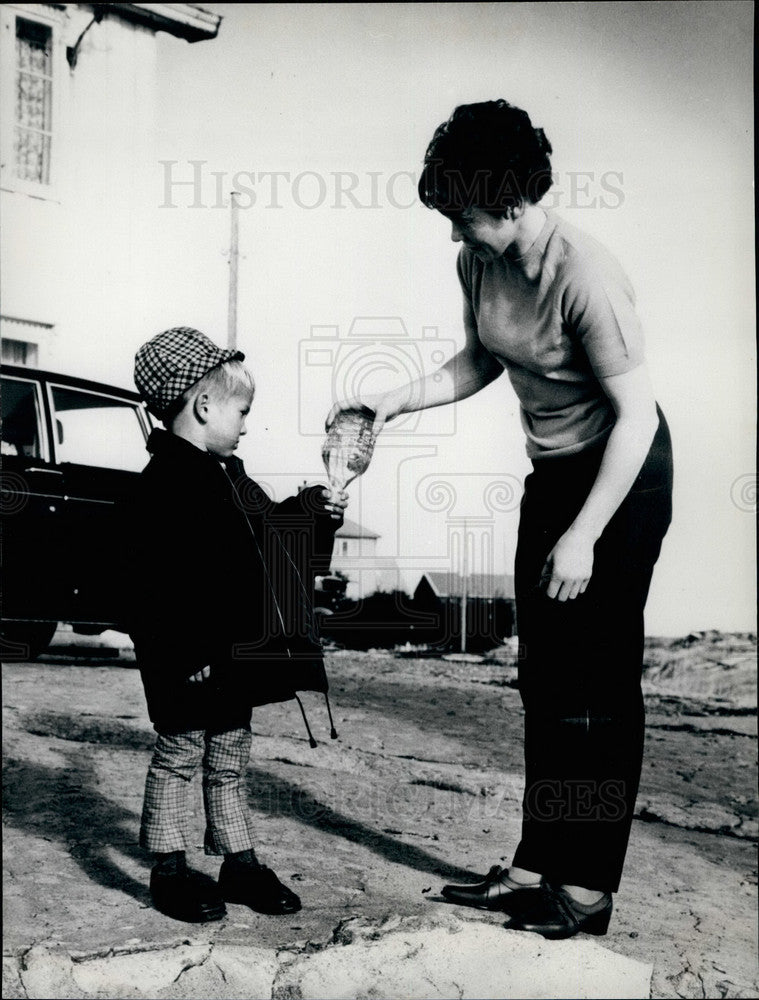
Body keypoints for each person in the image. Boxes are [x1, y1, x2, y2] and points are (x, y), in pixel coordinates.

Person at [327, 101, 673, 939]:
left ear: (513, 201)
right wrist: (391, 401)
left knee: (595, 691)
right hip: (554, 476)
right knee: (544, 681)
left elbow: (634, 417)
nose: (455, 235)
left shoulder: (584, 272)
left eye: (464, 217)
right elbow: (482, 358)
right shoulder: (479, 265)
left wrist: (585, 535)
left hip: (620, 481)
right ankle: (534, 866)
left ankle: (584, 888)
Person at [126, 326, 347, 923]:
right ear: (204, 405)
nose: (247, 425)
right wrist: (184, 650)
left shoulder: (231, 477)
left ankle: (238, 861)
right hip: (188, 656)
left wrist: (313, 510)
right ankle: (168, 867)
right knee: (178, 752)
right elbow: (152, 589)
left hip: (233, 653)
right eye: (242, 411)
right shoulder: (163, 487)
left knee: (229, 754)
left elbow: (272, 532)